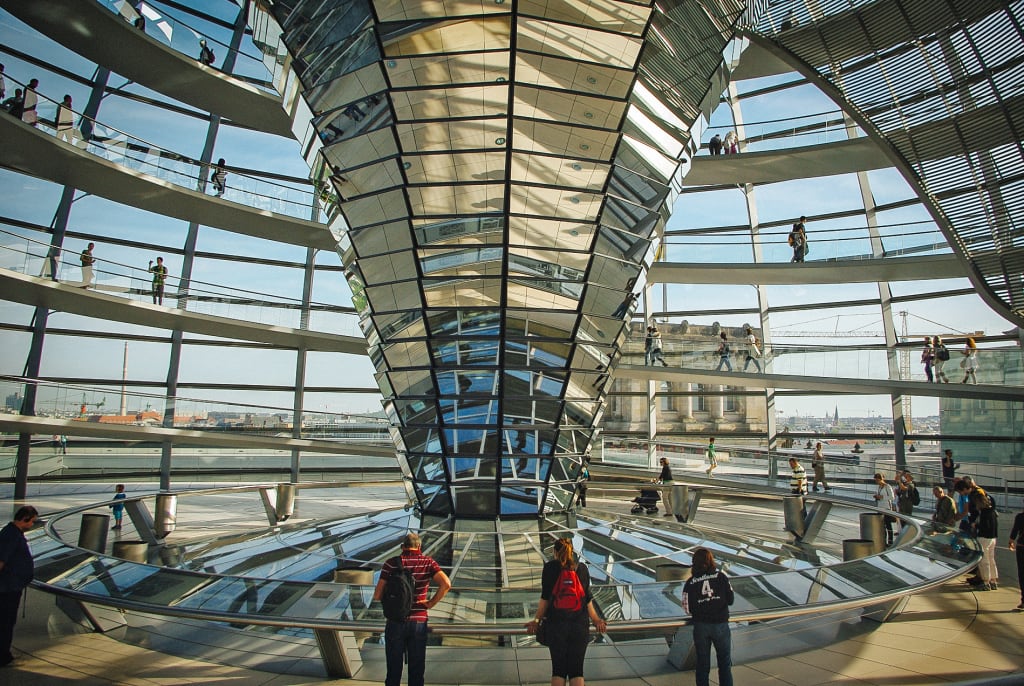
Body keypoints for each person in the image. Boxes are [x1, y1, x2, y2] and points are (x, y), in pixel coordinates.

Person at [373, 532, 451, 686]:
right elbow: (446, 584)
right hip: (418, 621)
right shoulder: (428, 562)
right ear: (419, 546)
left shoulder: (390, 563)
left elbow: (377, 595)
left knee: (393, 671)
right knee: (416, 671)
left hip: (395, 621)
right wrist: (430, 603)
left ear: (403, 546)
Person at [525, 538, 606, 686]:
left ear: (555, 552)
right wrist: (596, 620)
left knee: (558, 671)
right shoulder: (581, 569)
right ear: (572, 552)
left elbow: (545, 599)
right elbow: (587, 599)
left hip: (556, 626)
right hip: (579, 627)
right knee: (577, 671)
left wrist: (536, 621)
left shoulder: (550, 568)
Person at [682, 547, 734, 686]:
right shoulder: (721, 577)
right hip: (721, 625)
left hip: (701, 626)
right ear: (711, 561)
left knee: (702, 665)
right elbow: (730, 599)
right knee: (724, 664)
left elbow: (686, 607)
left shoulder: (690, 583)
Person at [0, 505, 38, 667]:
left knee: (5, 621)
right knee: (5, 622)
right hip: (8, 588)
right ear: (25, 519)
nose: (32, 525)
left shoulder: (12, 533)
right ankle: (3, 656)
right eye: (32, 522)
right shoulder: (11, 535)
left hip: (10, 586)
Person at [955, 479, 998, 590]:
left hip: (984, 536)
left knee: (984, 560)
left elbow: (983, 525)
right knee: (991, 558)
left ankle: (985, 581)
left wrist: (975, 525)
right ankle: (993, 580)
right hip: (992, 537)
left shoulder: (982, 512)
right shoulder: (991, 511)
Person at [872, 473, 896, 545]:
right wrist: (877, 497)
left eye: (878, 480)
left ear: (881, 479)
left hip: (887, 508)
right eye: (876, 480)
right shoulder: (879, 487)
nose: (877, 482)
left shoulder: (887, 486)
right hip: (880, 507)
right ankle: (883, 540)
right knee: (882, 526)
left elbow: (892, 497)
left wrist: (882, 497)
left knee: (888, 524)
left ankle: (890, 541)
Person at [1008, 503, 1024, 611]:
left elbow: (1015, 530)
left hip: (1022, 546)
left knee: (1022, 573)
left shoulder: (1020, 517)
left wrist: (1011, 541)